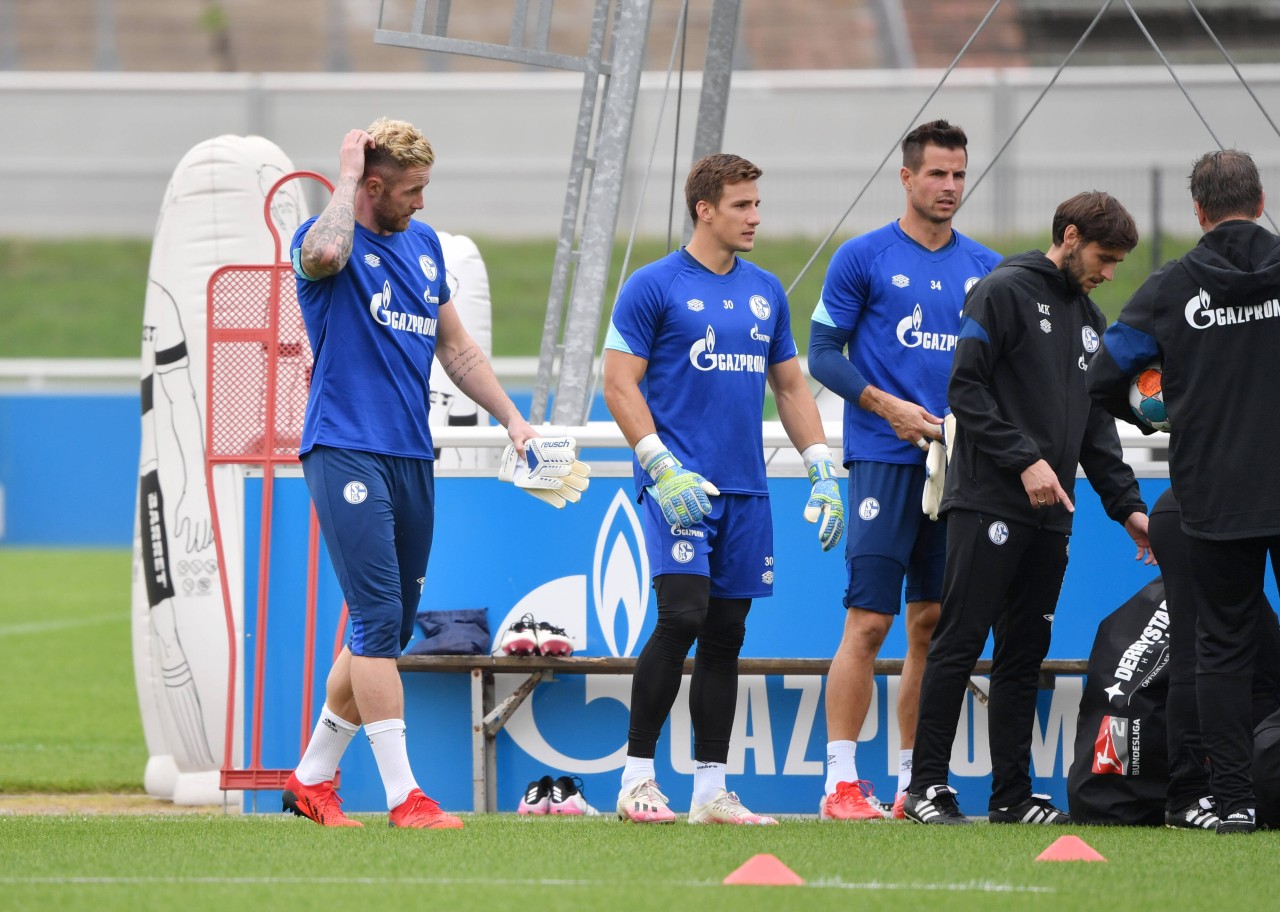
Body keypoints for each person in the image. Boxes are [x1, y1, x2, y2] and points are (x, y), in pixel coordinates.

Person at [282, 118, 550, 828]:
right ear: (371, 186)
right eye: (411, 190)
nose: (423, 204)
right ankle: (406, 797)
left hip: (409, 454)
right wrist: (342, 174)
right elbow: (329, 248)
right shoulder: (327, 243)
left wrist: (513, 421)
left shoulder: (426, 247)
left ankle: (310, 779)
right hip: (344, 446)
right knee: (374, 619)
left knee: (386, 630)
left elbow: (456, 351)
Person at [603, 153, 845, 825]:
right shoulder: (652, 286)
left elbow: (791, 385)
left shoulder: (766, 288)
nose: (756, 216)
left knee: (725, 633)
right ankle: (636, 781)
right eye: (742, 205)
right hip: (680, 486)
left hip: (747, 492)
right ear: (704, 208)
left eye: (757, 204)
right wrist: (659, 464)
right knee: (681, 615)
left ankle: (711, 791)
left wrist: (822, 467)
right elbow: (618, 383)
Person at [903, 191, 1151, 825]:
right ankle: (926, 787)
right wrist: (1024, 459)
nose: (1109, 272)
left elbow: (1097, 430)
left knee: (1023, 655)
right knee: (958, 642)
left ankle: (1012, 795)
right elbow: (965, 387)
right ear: (1069, 237)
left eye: (1119, 262)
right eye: (1103, 257)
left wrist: (1128, 508)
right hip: (988, 499)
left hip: (1052, 515)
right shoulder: (1001, 290)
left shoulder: (1093, 320)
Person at [808, 119, 1002, 820]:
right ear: (907, 178)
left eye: (958, 174)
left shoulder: (987, 266)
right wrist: (885, 405)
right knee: (868, 622)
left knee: (932, 624)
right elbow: (822, 354)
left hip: (959, 469)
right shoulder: (862, 258)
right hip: (884, 460)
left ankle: (911, 784)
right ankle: (839, 783)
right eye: (937, 174)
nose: (950, 187)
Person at [1087, 150, 1280, 834]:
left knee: (1222, 649)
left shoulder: (1174, 286)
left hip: (1215, 494)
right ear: (1260, 201)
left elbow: (1102, 377)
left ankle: (1230, 803)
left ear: (1198, 213)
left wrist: (1152, 412)